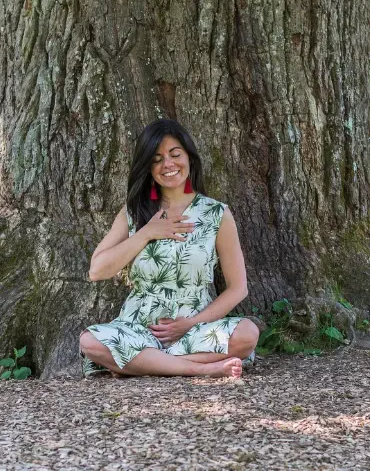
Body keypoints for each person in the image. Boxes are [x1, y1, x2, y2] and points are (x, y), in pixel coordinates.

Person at [80, 119, 259, 378]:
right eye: (157, 159)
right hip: (139, 328)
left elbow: (238, 288)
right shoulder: (133, 214)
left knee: (247, 334)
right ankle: (201, 369)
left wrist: (189, 324)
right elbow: (97, 271)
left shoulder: (216, 214)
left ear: (189, 158)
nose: (168, 164)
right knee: (90, 342)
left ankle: (141, 364)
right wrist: (147, 233)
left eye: (175, 155)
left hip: (195, 327)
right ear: (148, 168)